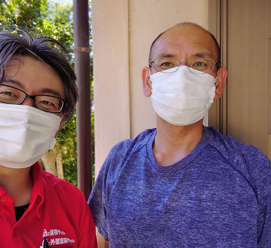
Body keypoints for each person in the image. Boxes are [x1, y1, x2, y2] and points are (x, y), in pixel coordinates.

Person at [88, 22, 271, 247]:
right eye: (167, 63)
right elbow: (100, 241)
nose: (182, 75)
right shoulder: (119, 161)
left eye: (199, 63)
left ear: (218, 82)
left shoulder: (254, 168)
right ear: (148, 81)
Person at [0, 29, 97, 248]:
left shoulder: (72, 204)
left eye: (46, 102)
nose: (26, 112)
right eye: (8, 93)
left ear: (58, 124)